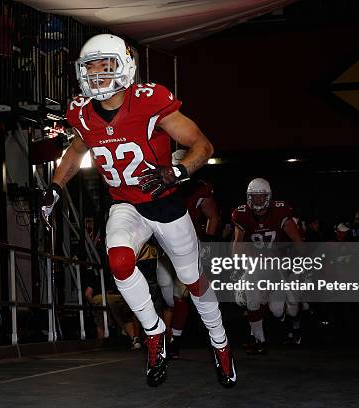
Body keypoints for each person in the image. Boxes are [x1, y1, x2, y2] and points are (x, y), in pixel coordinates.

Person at [39, 34, 236, 388]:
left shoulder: (149, 100)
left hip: (164, 201)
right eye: (90, 68)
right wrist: (55, 186)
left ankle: (220, 342)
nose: (96, 75)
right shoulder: (81, 112)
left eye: (104, 65)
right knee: (117, 261)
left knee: (191, 279)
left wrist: (178, 171)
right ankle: (153, 332)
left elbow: (201, 144)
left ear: (125, 66)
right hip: (126, 203)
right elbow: (77, 149)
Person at [156, 150, 222, 359]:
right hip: (165, 247)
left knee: (181, 293)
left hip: (188, 247)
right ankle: (169, 333)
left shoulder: (199, 189)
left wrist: (207, 243)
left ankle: (175, 340)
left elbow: (213, 216)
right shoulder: (159, 186)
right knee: (168, 294)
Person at [231, 178, 304, 353]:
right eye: (254, 197)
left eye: (261, 197)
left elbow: (298, 241)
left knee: (278, 310)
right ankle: (259, 340)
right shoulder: (241, 214)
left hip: (278, 266)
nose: (257, 201)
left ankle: (296, 317)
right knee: (247, 298)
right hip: (255, 265)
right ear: (248, 198)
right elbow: (237, 244)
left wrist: (299, 266)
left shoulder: (281, 212)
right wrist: (236, 265)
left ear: (268, 197)